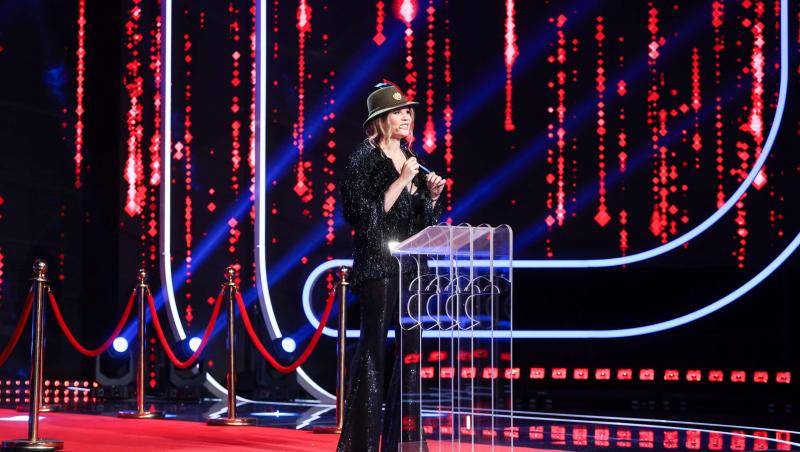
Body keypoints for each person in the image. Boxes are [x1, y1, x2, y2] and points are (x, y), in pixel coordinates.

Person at [337, 82, 446, 452]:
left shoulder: (414, 160)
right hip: (378, 267)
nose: (406, 117)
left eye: (407, 111)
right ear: (380, 119)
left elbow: (422, 226)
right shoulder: (363, 160)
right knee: (372, 353)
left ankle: (405, 443)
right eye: (397, 112)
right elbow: (362, 219)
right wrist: (402, 181)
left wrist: (431, 198)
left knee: (410, 356)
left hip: (412, 270)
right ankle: (362, 445)